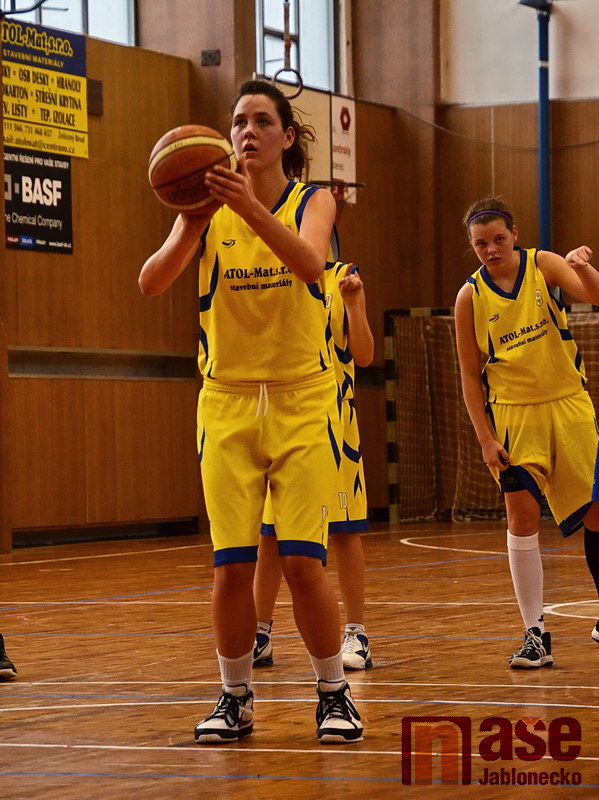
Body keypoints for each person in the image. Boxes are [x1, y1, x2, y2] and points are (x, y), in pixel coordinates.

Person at [139, 79, 363, 743]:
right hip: (227, 403)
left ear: (286, 137)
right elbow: (151, 282)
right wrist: (191, 222)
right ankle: (234, 697)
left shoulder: (313, 200)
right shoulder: (205, 210)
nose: (247, 131)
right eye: (238, 121)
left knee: (301, 564)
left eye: (262, 121)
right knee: (232, 566)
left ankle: (334, 694)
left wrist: (248, 208)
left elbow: (311, 263)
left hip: (302, 400)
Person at [454, 197, 599, 669]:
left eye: (498, 239)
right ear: (472, 246)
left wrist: (583, 268)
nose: (491, 249)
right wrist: (484, 438)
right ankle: (535, 633)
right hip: (513, 416)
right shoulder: (469, 297)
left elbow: (595, 295)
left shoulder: (543, 265)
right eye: (481, 244)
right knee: (521, 517)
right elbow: (469, 375)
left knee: (596, 513)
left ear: (514, 234)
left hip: (569, 405)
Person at [253, 261, 374, 672]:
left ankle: (356, 633)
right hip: (282, 417)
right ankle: (259, 633)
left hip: (335, 422)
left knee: (344, 530)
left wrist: (353, 304)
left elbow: (365, 355)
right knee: (270, 533)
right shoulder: (269, 274)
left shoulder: (343, 278)